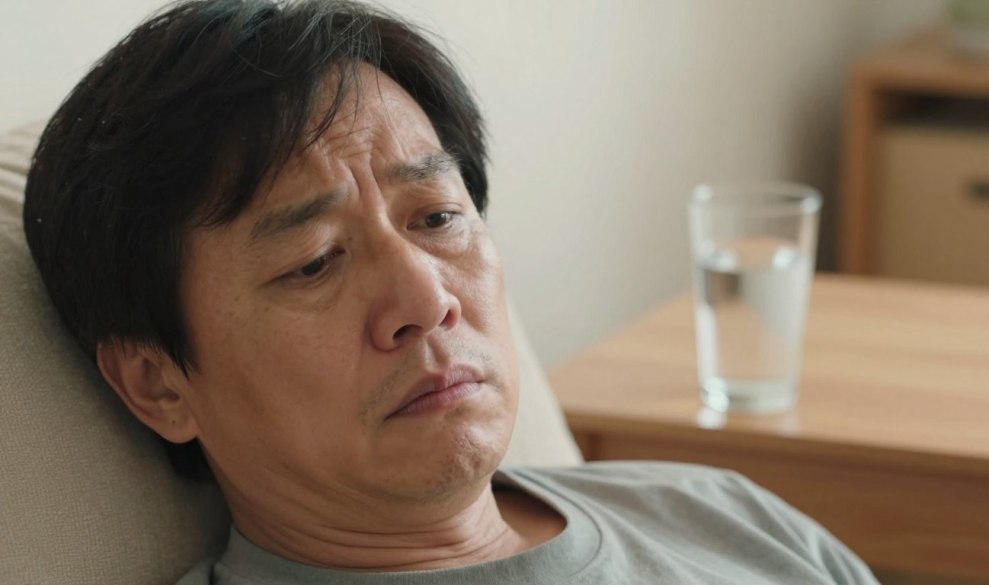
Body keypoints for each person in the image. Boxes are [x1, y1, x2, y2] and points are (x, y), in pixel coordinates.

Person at [23, 1, 880, 583]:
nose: (425, 298)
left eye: (436, 216)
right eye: (315, 261)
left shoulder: (720, 513)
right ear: (159, 382)